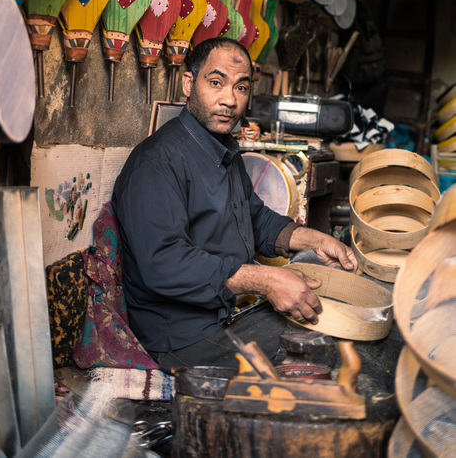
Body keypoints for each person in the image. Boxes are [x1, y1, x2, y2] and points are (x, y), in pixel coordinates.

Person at [112, 37, 357, 374]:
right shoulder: (157, 161)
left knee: (337, 330)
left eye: (241, 88)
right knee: (325, 358)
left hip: (230, 312)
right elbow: (164, 263)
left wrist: (314, 240)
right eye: (216, 83)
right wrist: (265, 281)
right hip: (184, 337)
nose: (229, 99)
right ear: (188, 83)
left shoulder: (222, 149)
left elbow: (254, 218)